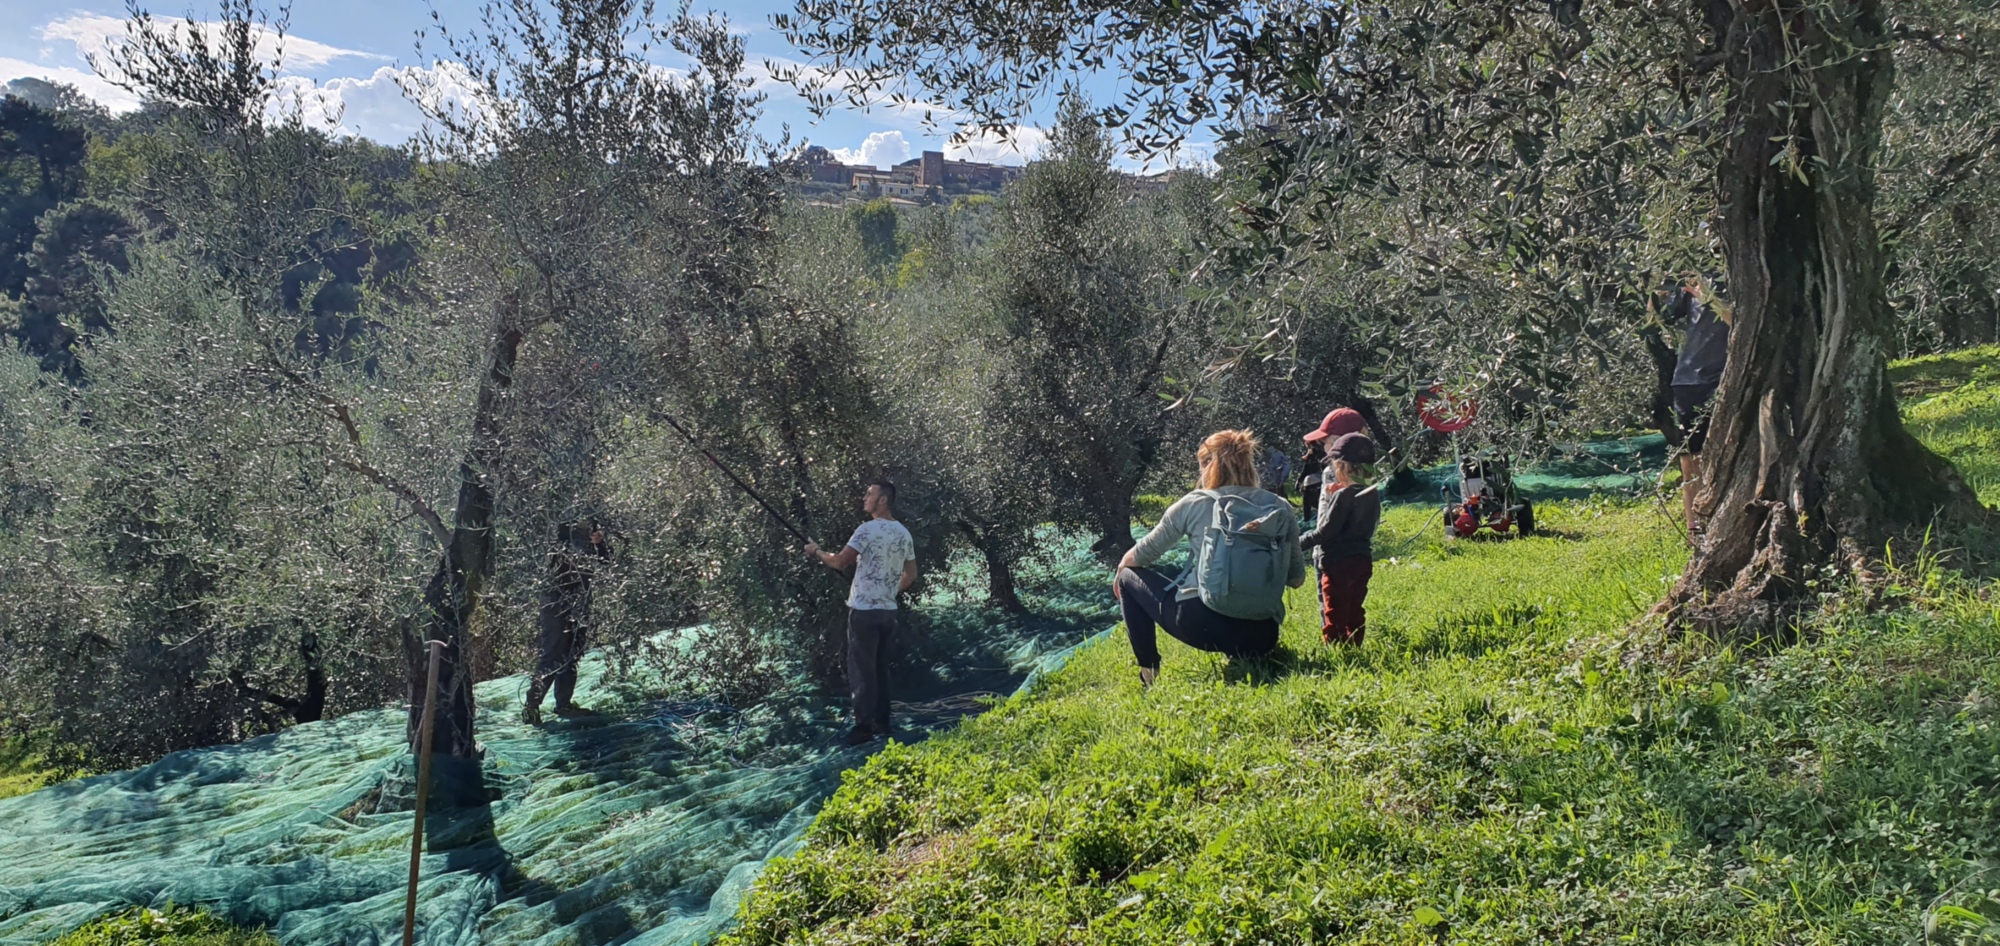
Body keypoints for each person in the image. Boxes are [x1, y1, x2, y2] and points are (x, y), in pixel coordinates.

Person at [1113, 430, 1308, 686]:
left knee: (1127, 577)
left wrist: (1119, 575)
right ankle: (1243, 654)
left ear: (1207, 464)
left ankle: (1149, 672)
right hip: (1262, 634)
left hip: (1202, 627)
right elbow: (1296, 580)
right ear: (1248, 463)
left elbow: (1139, 557)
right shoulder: (1279, 506)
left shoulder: (1192, 503)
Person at [806, 481, 917, 745]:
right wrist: (888, 590)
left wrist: (816, 551)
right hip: (888, 611)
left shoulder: (866, 530)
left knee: (861, 671)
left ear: (883, 501)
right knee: (880, 668)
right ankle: (883, 722)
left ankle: (863, 729)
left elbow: (838, 561)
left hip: (864, 611)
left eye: (870, 494)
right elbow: (911, 575)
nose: (865, 497)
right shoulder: (904, 533)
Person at [523, 520, 610, 724]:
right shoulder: (561, 532)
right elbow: (553, 555)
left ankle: (563, 704)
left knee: (572, 652)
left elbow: (605, 561)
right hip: (556, 601)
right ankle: (531, 707)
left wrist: (599, 543)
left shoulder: (590, 533)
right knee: (555, 652)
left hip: (579, 601)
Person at [1300, 433, 1381, 646]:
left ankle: (1336, 650)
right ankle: (1355, 645)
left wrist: (1299, 543)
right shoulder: (1372, 493)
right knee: (1355, 607)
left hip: (1337, 563)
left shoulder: (1342, 496)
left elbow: (1326, 531)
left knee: (1334, 610)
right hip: (1362, 559)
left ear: (1344, 467)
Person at [1668, 274, 1732, 537]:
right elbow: (1660, 313)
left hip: (1725, 379)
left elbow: (1738, 322)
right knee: (1689, 460)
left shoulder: (1740, 277)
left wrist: (1710, 297)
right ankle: (1695, 531)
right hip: (1687, 380)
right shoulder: (1693, 283)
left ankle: (1722, 524)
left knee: (1722, 455)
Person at [1298, 408, 1367, 526]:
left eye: (1325, 443)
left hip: (1332, 541)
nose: (1324, 448)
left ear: (1339, 443)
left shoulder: (1332, 472)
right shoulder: (1367, 471)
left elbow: (1327, 514)